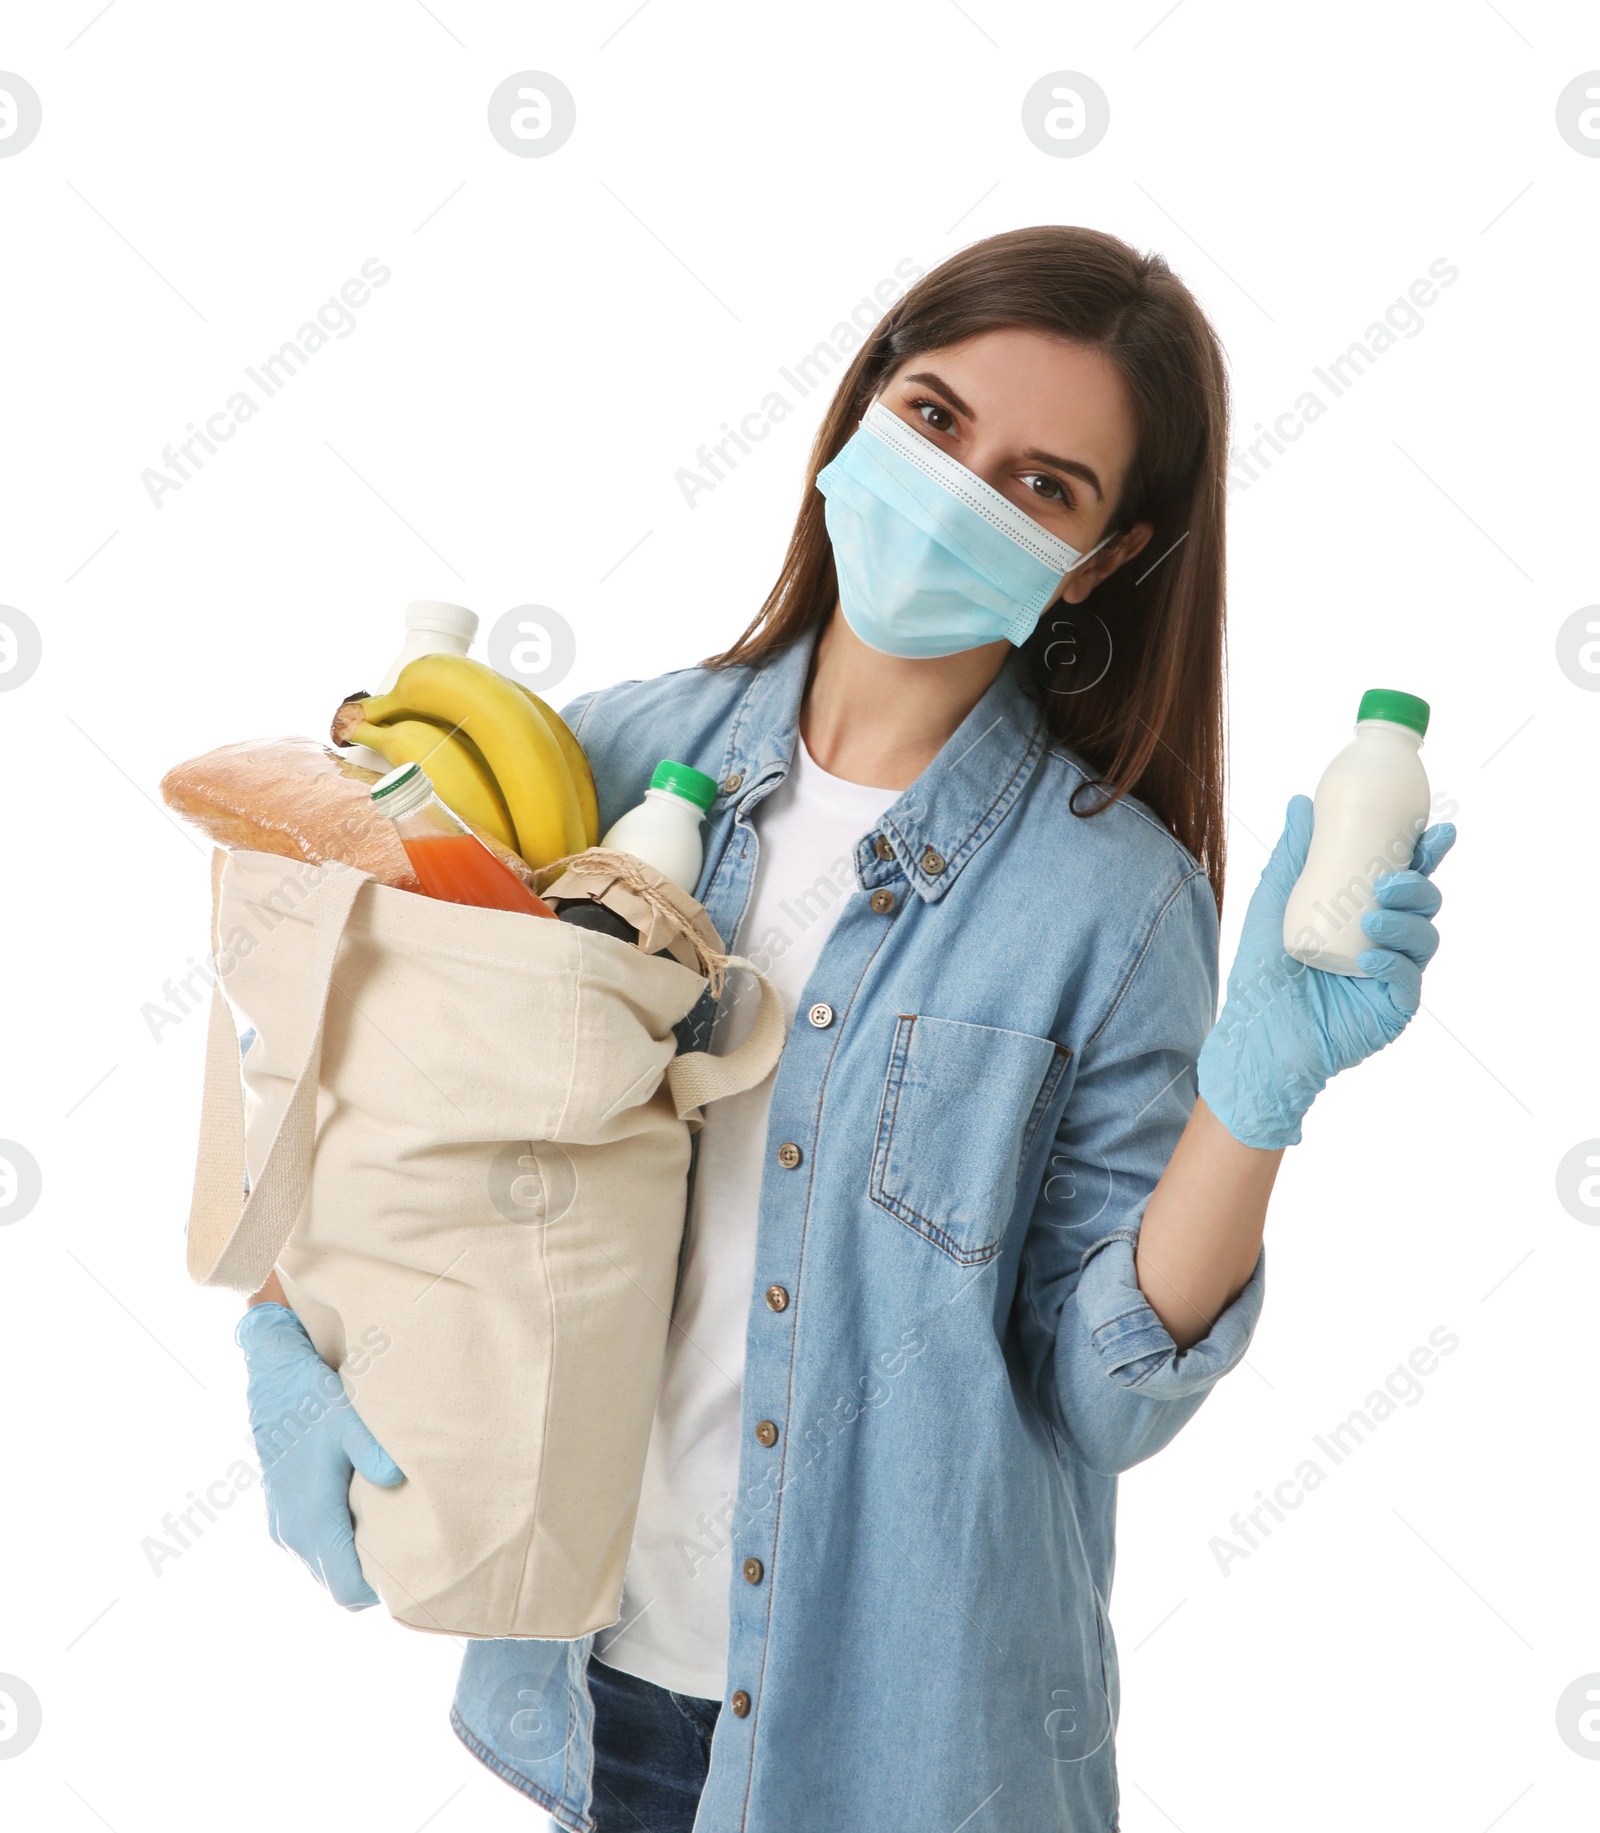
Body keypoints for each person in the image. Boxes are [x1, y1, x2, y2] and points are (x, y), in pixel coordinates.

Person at [235, 225, 1453, 1831]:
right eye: (937, 418)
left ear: (1098, 557)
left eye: (1042, 484)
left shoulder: (1117, 903)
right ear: (864, 407)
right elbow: (397, 1125)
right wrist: (293, 1332)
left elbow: (1104, 1397)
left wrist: (1255, 1101)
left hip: (917, 1750)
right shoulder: (591, 766)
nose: (958, 488)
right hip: (604, 1707)